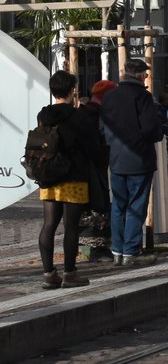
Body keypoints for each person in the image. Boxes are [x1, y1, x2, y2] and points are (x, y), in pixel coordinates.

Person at [35, 70, 106, 289]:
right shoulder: (78, 116)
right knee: (71, 227)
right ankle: (69, 273)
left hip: (49, 175)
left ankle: (48, 274)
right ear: (72, 90)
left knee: (49, 224)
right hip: (74, 176)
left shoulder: (43, 115)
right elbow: (92, 147)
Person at [100, 58, 165, 267]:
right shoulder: (143, 97)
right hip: (139, 159)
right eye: (145, 74)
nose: (146, 77)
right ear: (141, 75)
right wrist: (159, 127)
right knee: (136, 205)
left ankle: (117, 251)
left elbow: (102, 127)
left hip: (116, 159)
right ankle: (131, 251)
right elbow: (151, 130)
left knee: (118, 206)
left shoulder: (109, 96)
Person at [79, 79, 117, 262]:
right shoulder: (101, 116)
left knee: (85, 210)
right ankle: (97, 249)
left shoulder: (82, 113)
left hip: (81, 170)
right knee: (98, 207)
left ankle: (85, 250)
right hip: (96, 169)